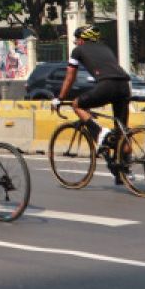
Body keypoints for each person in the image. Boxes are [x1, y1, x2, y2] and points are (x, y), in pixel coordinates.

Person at [54, 24, 132, 180]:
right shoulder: (106, 49)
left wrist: (60, 98)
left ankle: (100, 132)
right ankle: (123, 172)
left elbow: (70, 77)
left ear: (82, 40)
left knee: (77, 104)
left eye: (77, 39)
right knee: (121, 131)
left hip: (107, 85)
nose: (76, 42)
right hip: (124, 86)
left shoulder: (77, 51)